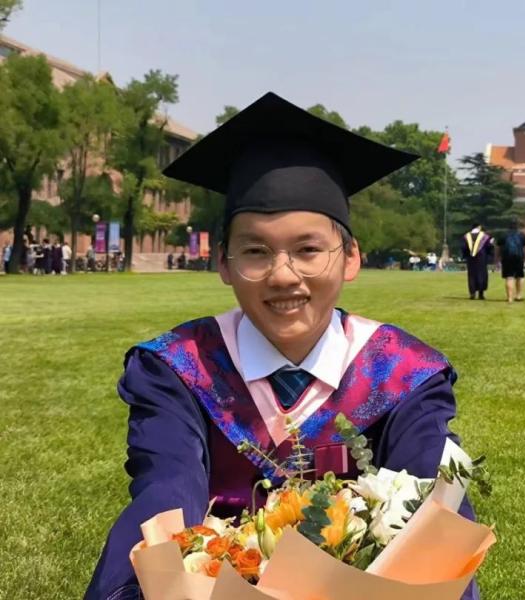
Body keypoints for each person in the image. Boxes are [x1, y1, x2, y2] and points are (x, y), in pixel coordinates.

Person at [86, 92, 479, 600]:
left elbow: (431, 501)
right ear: (223, 263)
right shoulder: (180, 367)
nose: (283, 275)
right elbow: (166, 488)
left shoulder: (402, 372)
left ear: (350, 258)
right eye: (255, 251)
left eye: (308, 249)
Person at [497, 219, 525, 303]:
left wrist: (497, 258)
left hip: (507, 258)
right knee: (520, 276)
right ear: (517, 226)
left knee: (509, 277)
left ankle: (510, 298)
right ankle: (519, 296)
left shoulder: (503, 235)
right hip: (519, 257)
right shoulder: (522, 235)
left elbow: (498, 248)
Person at [461, 223, 493, 299]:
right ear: (479, 227)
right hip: (482, 258)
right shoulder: (485, 236)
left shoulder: (466, 236)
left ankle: (472, 293)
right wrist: (489, 255)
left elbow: (464, 248)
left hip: (470, 258)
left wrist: (465, 256)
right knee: (481, 274)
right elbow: (489, 247)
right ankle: (481, 294)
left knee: (471, 275)